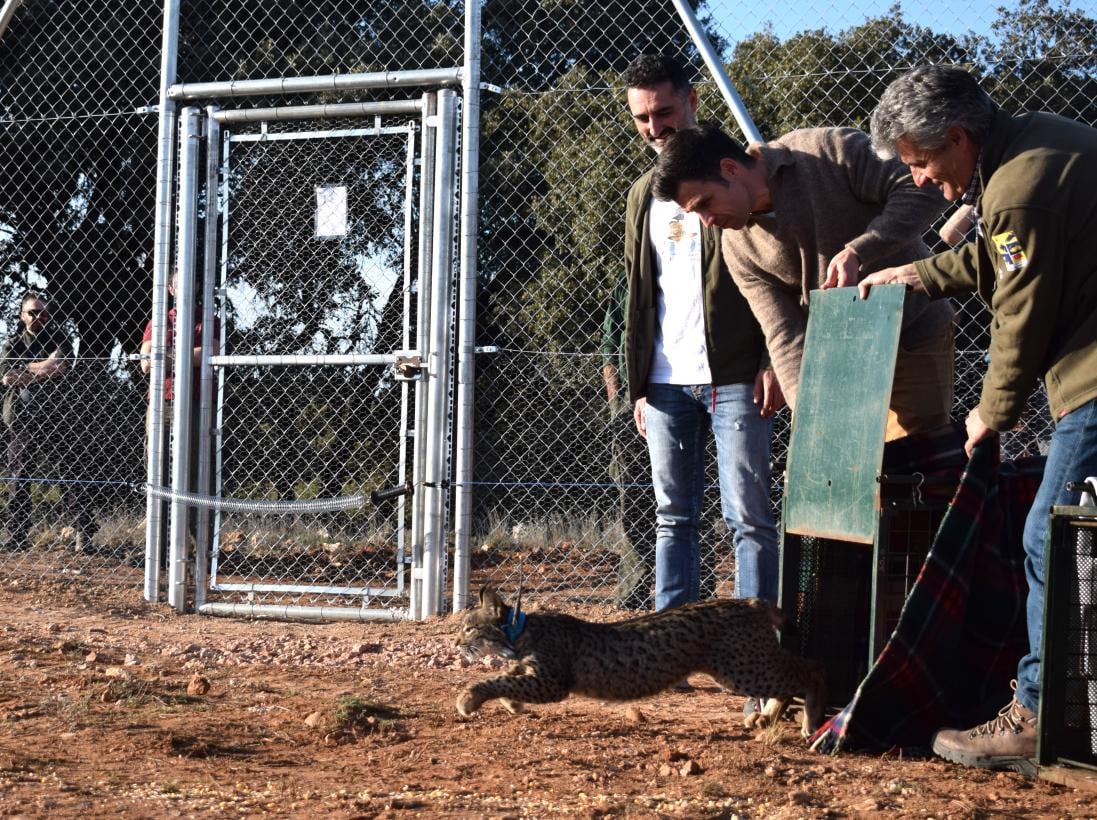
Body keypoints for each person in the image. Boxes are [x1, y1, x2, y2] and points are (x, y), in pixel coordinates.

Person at [858, 64, 1097, 771]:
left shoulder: (1017, 190)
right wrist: (917, 273)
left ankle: (1034, 714)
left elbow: (1019, 314)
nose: (922, 181)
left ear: (957, 138)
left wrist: (990, 415)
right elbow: (1003, 260)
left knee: (1048, 537)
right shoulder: (1035, 145)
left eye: (921, 163)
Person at [650, 122, 956, 442]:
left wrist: (860, 251)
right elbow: (784, 335)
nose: (706, 221)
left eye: (704, 203)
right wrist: (808, 415)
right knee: (834, 470)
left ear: (730, 169)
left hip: (912, 331)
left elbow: (923, 187)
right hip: (839, 358)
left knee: (917, 461)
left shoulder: (825, 150)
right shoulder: (737, 248)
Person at [621, 55, 780, 612]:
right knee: (673, 519)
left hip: (736, 376)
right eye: (642, 117)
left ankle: (756, 646)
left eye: (664, 112)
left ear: (692, 102)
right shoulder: (642, 194)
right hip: (665, 383)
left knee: (749, 518)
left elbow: (780, 276)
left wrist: (772, 359)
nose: (654, 128)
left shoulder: (736, 172)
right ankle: (673, 646)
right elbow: (639, 294)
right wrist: (639, 383)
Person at [0, 293, 93, 551]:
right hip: (21, 419)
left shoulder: (59, 338)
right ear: (22, 315)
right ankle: (17, 535)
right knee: (19, 477)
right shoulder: (13, 343)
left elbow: (60, 365)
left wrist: (26, 369)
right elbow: (8, 377)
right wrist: (43, 367)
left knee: (69, 473)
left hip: (55, 416)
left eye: (42, 312)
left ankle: (83, 531)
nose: (37, 317)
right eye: (31, 312)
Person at [601, 274, 655, 610]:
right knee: (632, 497)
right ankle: (632, 591)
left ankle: (696, 586)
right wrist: (617, 402)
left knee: (689, 493)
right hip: (629, 406)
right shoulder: (629, 283)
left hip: (682, 394)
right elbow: (610, 344)